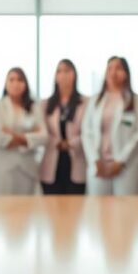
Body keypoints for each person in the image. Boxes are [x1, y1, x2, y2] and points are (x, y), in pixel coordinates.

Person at [82, 57, 138, 196]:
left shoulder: (137, 101)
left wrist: (121, 160)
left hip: (126, 166)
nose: (113, 72)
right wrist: (95, 160)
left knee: (125, 212)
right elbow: (87, 132)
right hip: (99, 165)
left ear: (126, 74)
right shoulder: (95, 100)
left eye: (118, 68)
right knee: (99, 212)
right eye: (110, 68)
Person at [0, 67, 47, 195]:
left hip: (28, 168)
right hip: (3, 168)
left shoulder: (34, 107)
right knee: (2, 211)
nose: (15, 83)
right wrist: (30, 138)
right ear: (6, 83)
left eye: (20, 80)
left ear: (25, 84)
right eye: (11, 80)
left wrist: (13, 134)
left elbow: (44, 137)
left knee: (25, 212)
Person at [39, 59, 87, 195]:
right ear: (55, 76)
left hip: (76, 158)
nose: (63, 75)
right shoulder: (46, 104)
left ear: (75, 75)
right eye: (59, 71)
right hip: (52, 160)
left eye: (67, 71)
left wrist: (71, 143)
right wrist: (58, 143)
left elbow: (89, 132)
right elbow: (42, 130)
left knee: (75, 208)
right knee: (52, 209)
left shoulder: (85, 103)